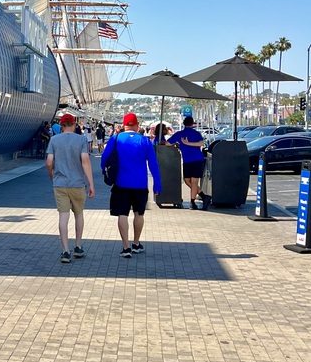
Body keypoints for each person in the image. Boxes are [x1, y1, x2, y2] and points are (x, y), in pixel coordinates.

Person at [101, 112, 161, 258]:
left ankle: (125, 247)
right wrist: (157, 185)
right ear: (137, 125)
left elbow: (104, 157)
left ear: (123, 125)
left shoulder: (116, 139)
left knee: (122, 214)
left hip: (121, 184)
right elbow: (153, 164)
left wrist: (104, 171)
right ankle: (136, 243)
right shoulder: (145, 141)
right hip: (140, 184)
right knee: (139, 214)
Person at [46, 112, 95, 264]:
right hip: (78, 183)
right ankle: (78, 246)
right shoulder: (81, 140)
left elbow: (49, 162)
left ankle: (65, 251)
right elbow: (85, 160)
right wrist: (91, 183)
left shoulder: (54, 140)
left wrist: (52, 175)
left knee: (63, 217)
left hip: (60, 183)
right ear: (74, 125)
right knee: (79, 215)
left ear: (61, 126)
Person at [167, 115, 207, 209]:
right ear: (192, 123)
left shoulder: (179, 134)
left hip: (187, 160)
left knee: (188, 181)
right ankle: (204, 196)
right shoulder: (196, 133)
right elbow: (201, 144)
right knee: (191, 181)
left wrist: (184, 144)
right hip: (197, 159)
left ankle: (193, 202)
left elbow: (167, 143)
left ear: (184, 123)